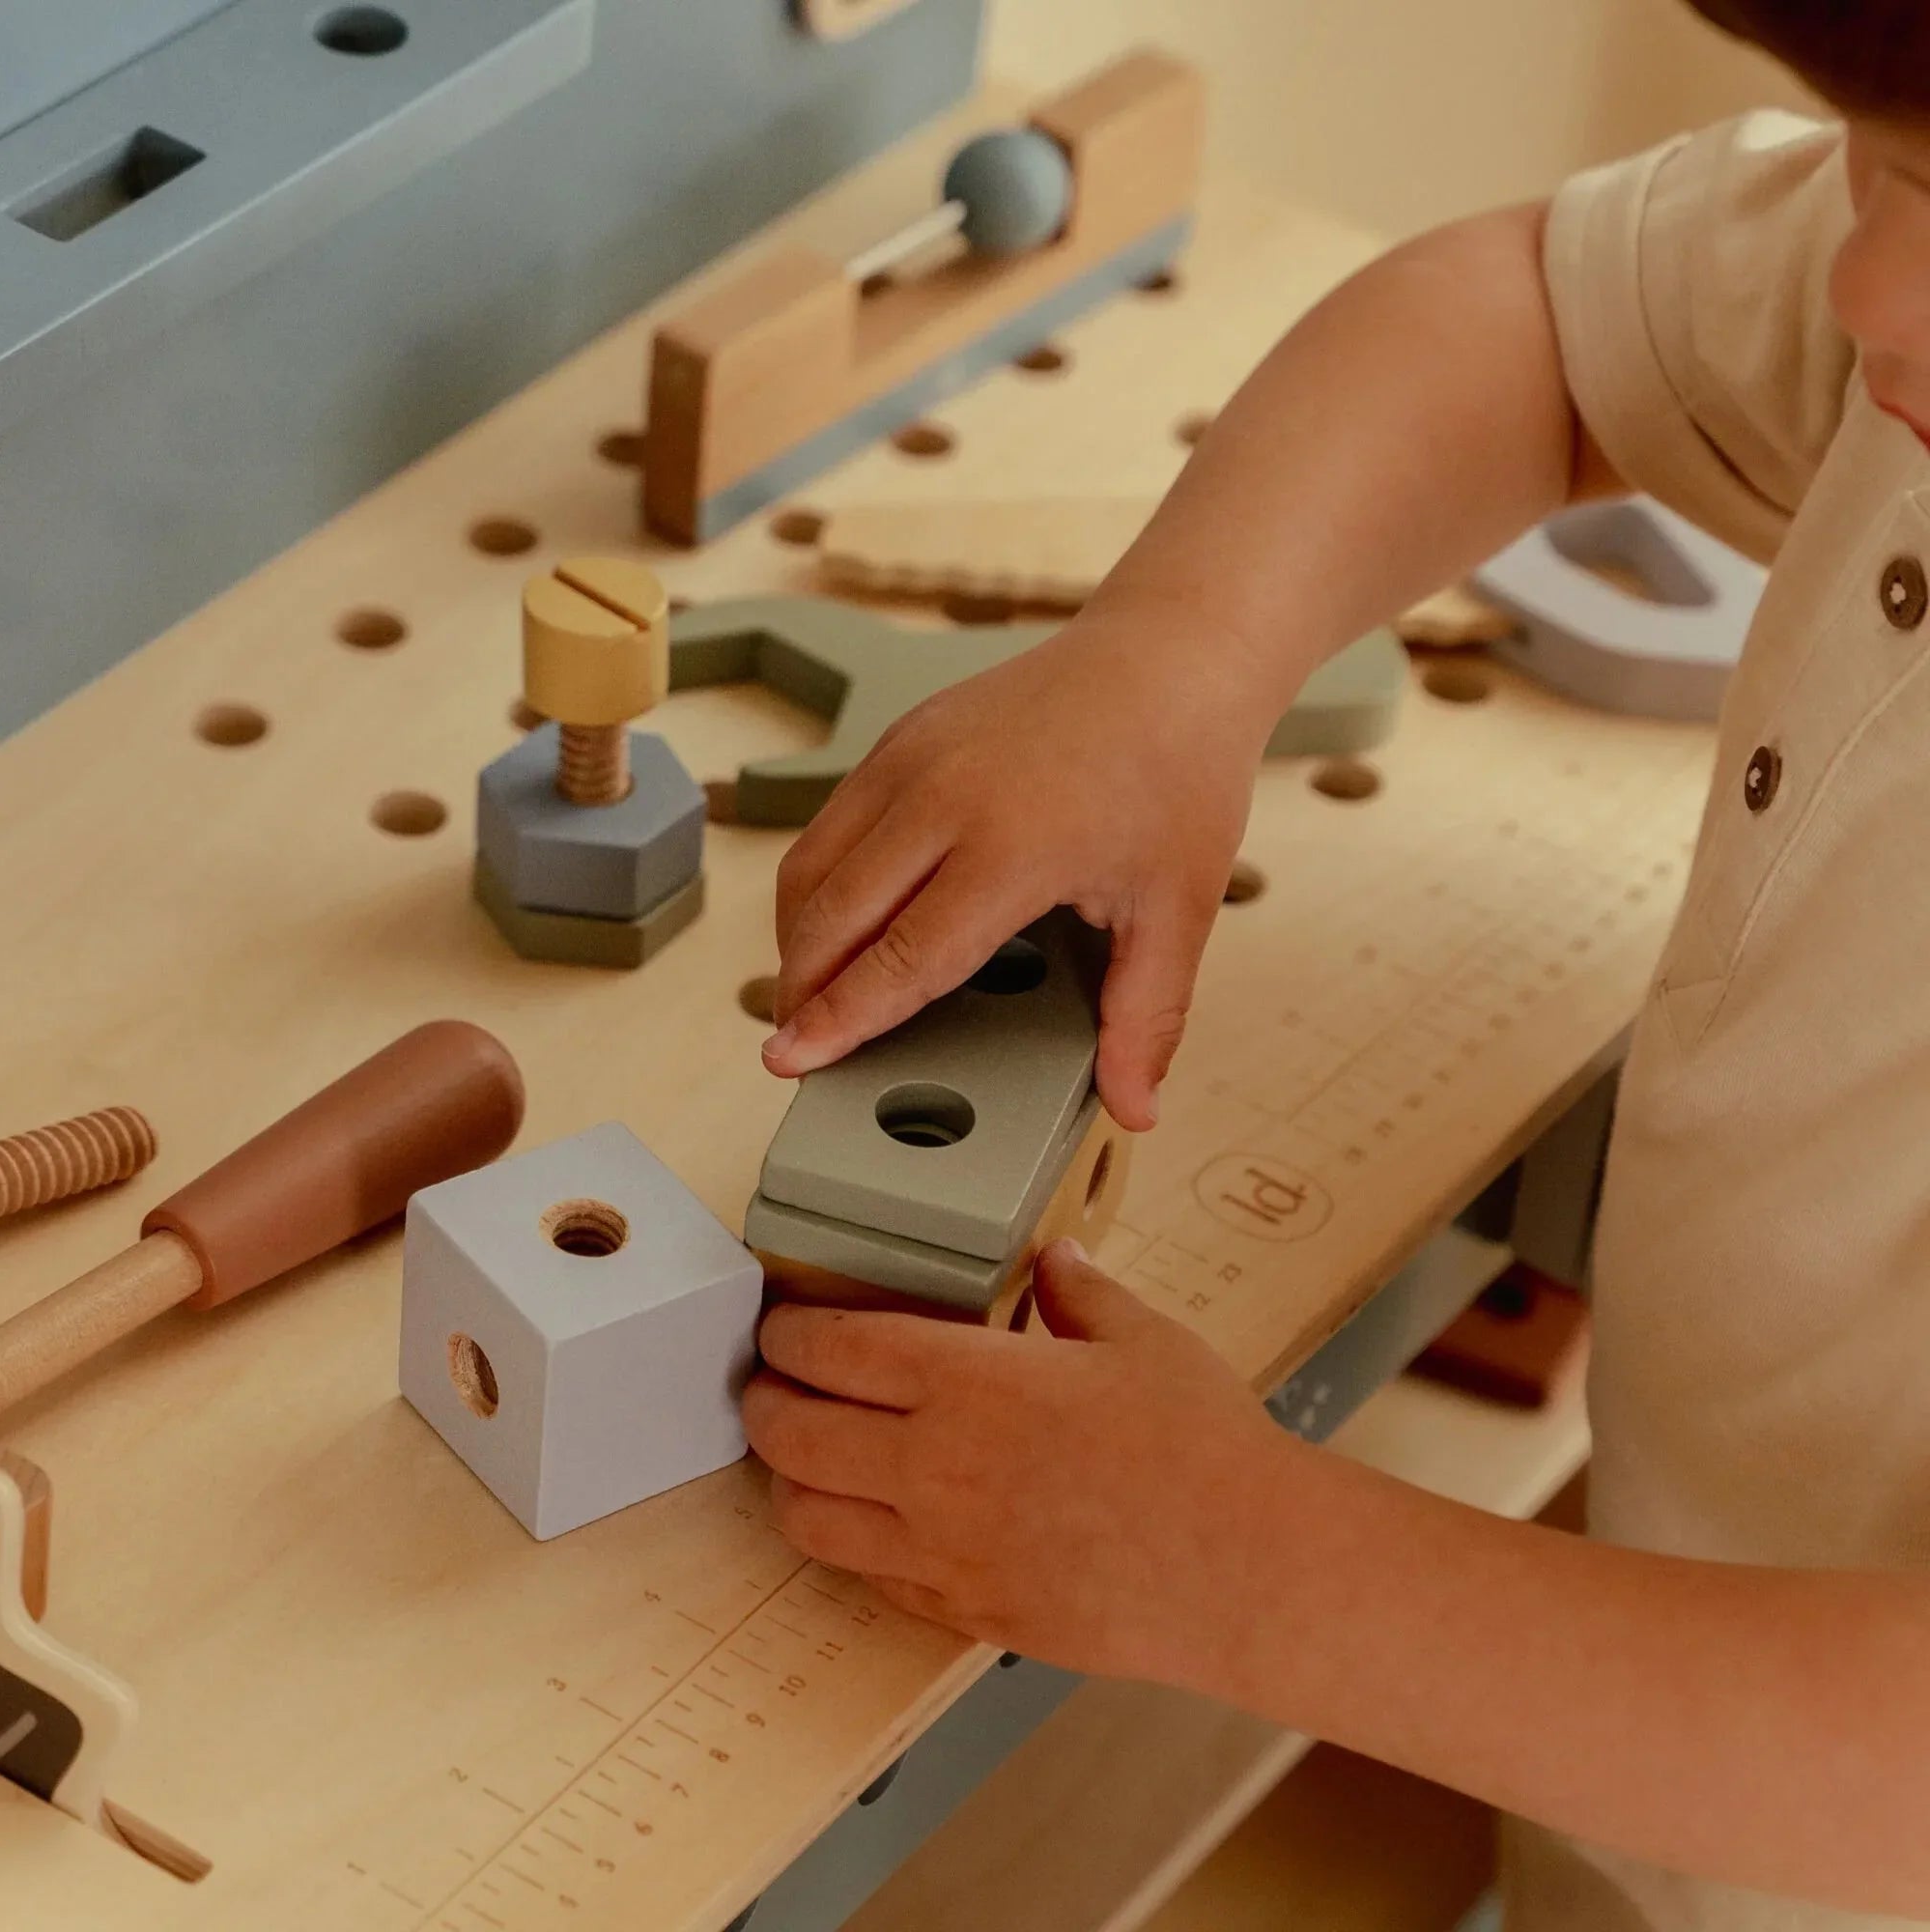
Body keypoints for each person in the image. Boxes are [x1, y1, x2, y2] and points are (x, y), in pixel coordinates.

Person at [742, 5, 1930, 1925]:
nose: (1868, 275)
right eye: (1870, 153)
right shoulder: (1904, 298)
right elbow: (1537, 319)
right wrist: (1182, 655)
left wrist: (1256, 1575)